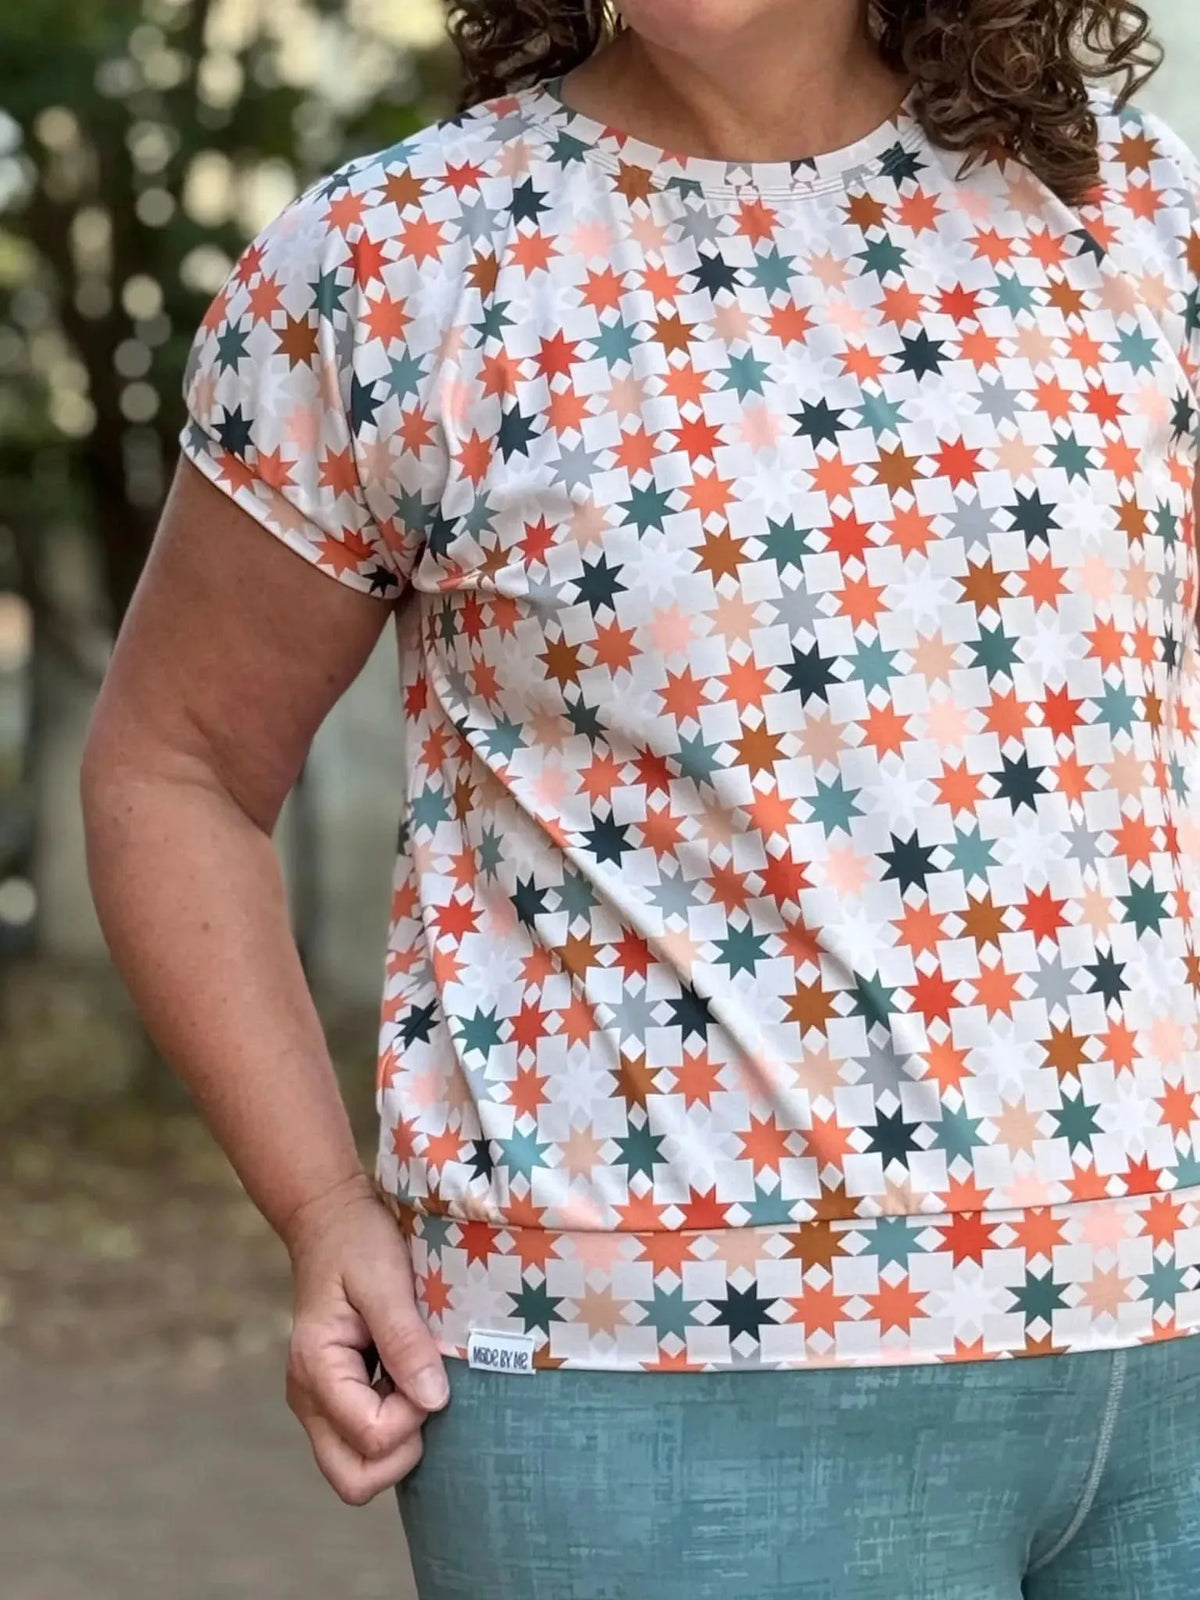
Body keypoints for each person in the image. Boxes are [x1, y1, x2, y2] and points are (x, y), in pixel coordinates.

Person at [80, 0, 1200, 1593]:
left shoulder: (1135, 221)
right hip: (649, 1387)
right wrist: (323, 1206)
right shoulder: (404, 259)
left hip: (1173, 1366)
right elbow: (172, 761)